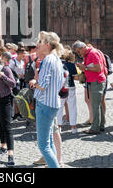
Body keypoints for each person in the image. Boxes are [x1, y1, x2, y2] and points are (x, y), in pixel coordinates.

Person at [29, 32, 65, 168]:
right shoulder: (56, 59)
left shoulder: (48, 60)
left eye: (41, 42)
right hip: (53, 102)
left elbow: (43, 85)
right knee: (49, 142)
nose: (38, 44)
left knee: (43, 146)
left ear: (48, 45)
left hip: (44, 103)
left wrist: (34, 82)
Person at [73, 41, 107, 135]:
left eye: (78, 51)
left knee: (95, 105)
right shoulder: (88, 54)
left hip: (97, 81)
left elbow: (98, 68)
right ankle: (101, 125)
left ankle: (95, 128)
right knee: (98, 104)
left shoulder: (92, 53)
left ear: (83, 47)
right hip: (94, 81)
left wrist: (85, 68)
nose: (79, 54)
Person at [57, 50, 78, 134]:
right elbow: (76, 78)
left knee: (59, 107)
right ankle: (73, 127)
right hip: (70, 86)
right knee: (72, 107)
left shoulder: (58, 65)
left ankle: (58, 127)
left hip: (60, 88)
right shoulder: (71, 65)